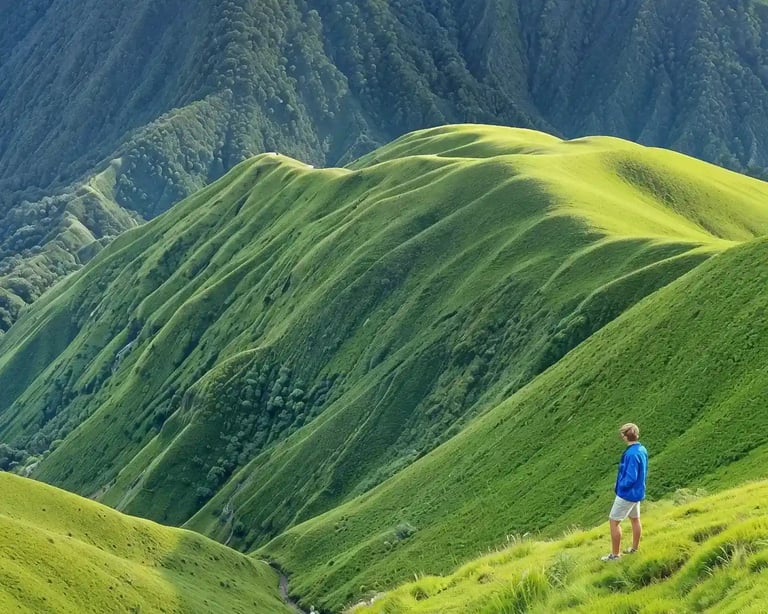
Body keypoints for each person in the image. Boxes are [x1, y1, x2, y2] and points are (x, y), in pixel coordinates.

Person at [601, 422, 648, 561]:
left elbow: (630, 477)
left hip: (627, 494)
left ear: (625, 437)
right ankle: (634, 548)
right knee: (635, 519)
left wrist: (620, 485)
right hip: (638, 492)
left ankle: (615, 555)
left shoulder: (631, 455)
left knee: (614, 521)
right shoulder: (642, 449)